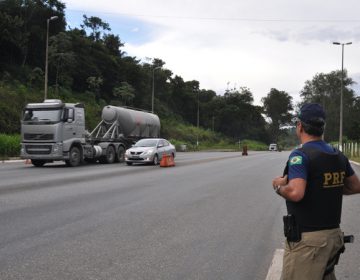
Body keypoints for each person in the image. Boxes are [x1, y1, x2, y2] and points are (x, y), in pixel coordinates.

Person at [272, 103, 360, 280]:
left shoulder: (300, 155)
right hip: (333, 238)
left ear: (300, 126)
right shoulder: (337, 155)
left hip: (308, 243)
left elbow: (296, 193)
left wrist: (278, 186)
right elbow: (355, 186)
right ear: (322, 127)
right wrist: (323, 188)